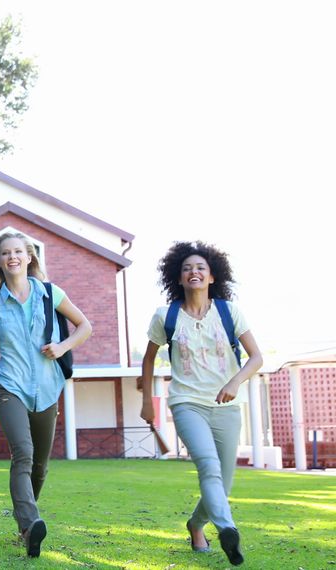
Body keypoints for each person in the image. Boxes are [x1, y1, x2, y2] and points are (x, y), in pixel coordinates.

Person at [0, 232, 91, 558]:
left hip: (49, 388)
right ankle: (29, 523)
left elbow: (84, 326)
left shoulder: (51, 293)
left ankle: (26, 518)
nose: (12, 257)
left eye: (18, 252)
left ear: (29, 257)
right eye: (5, 253)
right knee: (22, 453)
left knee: (40, 465)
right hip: (10, 387)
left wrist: (62, 346)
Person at [140, 241, 261, 567]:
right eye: (187, 269)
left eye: (200, 268)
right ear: (179, 278)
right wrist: (147, 402)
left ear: (211, 277)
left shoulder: (228, 312)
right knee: (208, 466)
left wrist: (235, 381)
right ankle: (227, 529)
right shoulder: (165, 316)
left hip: (226, 407)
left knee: (224, 481)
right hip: (186, 403)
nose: (194, 272)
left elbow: (256, 357)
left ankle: (196, 525)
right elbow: (149, 359)